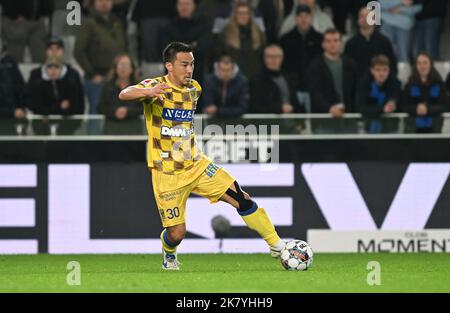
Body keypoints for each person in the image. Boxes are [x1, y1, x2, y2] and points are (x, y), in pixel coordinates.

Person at [119, 42, 285, 270]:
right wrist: (148, 92)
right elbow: (124, 93)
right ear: (169, 65)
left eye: (192, 64)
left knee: (241, 197)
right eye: (184, 64)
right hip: (166, 171)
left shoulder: (194, 88)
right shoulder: (155, 85)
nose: (189, 69)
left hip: (196, 165)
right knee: (177, 233)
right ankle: (169, 253)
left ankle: (278, 246)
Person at [74, 0, 127, 114]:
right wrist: (92, 73)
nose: (104, 3)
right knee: (96, 113)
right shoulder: (88, 23)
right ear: (93, 2)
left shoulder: (117, 23)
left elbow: (124, 49)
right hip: (97, 78)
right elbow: (78, 51)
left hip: (116, 79)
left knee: (115, 114)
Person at [344, 6, 397, 78]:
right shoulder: (350, 44)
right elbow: (347, 70)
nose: (365, 19)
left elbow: (392, 66)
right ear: (358, 20)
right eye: (362, 16)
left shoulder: (384, 42)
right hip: (358, 85)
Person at [279, 4, 323, 91]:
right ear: (295, 18)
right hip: (292, 87)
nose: (303, 20)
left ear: (311, 18)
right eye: (300, 16)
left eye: (306, 16)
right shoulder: (285, 40)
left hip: (315, 87)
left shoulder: (320, 39)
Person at [402, 52, 449, 133]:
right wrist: (416, 109)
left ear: (430, 64)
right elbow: (402, 105)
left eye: (425, 63)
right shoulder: (409, 85)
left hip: (435, 130)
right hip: (412, 131)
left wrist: (427, 109)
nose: (422, 66)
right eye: (419, 63)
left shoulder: (439, 84)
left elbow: (446, 105)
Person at [354, 55, 402, 133]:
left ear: (389, 70)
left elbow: (399, 102)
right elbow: (360, 107)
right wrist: (382, 109)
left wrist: (393, 103)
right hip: (367, 127)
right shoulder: (363, 84)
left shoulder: (395, 84)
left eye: (384, 70)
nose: (381, 73)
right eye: (378, 70)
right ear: (372, 70)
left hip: (390, 128)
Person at [98, 53, 143, 135]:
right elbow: (100, 107)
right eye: (121, 65)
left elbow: (143, 108)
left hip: (133, 129)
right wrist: (114, 111)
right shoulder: (107, 86)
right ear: (115, 68)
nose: (123, 68)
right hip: (111, 129)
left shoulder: (139, 87)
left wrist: (128, 111)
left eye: (126, 65)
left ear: (132, 69)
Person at [250, 44, 301, 114]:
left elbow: (295, 102)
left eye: (277, 56)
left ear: (282, 58)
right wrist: (279, 108)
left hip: (291, 120)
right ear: (264, 58)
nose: (273, 60)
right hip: (269, 122)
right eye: (270, 56)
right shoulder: (256, 80)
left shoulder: (290, 77)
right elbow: (255, 107)